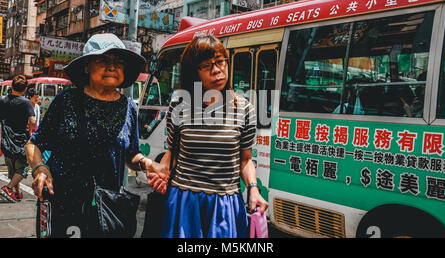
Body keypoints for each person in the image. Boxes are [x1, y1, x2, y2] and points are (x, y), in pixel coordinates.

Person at [25, 33, 168, 238]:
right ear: (86, 66)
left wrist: (147, 164)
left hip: (106, 208)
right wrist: (39, 169)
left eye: (118, 61)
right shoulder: (66, 101)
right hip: (62, 204)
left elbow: (131, 155)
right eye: (103, 60)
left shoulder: (128, 108)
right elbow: (34, 143)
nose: (112, 66)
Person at [150, 35, 268, 238]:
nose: (217, 70)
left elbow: (246, 160)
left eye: (220, 61)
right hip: (185, 202)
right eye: (206, 66)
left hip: (225, 204)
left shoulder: (245, 109)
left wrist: (253, 189)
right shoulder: (179, 107)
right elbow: (173, 153)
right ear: (193, 72)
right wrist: (161, 173)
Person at [0, 75, 36, 202]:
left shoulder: (3, 100)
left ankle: (18, 193)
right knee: (23, 168)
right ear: (25, 89)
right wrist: (31, 131)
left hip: (6, 140)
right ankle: (8, 188)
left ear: (11, 87)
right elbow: (32, 120)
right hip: (20, 142)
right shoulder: (26, 102)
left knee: (14, 170)